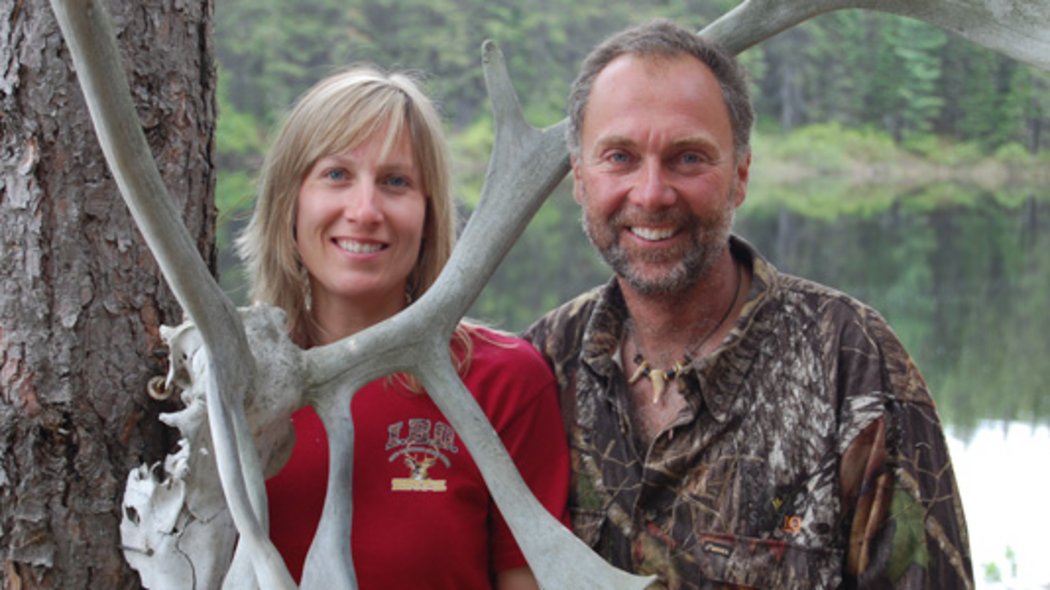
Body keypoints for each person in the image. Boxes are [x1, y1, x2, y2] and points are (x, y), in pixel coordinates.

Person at [523, 19, 973, 589]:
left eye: (689, 158)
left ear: (740, 176)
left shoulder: (851, 363)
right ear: (580, 181)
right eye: (619, 156)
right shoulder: (539, 364)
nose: (652, 193)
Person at [237, 66, 569, 589]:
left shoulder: (502, 383)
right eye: (336, 175)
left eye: (396, 182)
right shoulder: (230, 382)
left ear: (429, 215)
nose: (365, 211)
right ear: (289, 203)